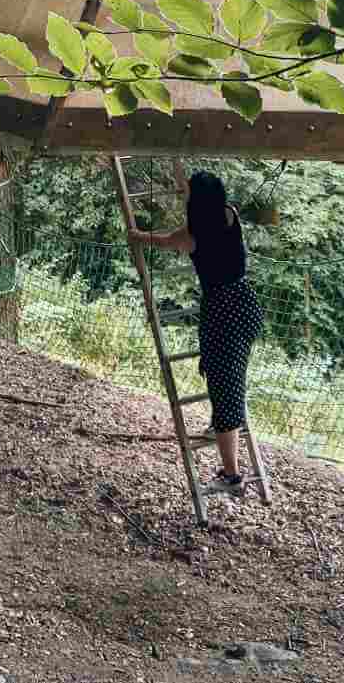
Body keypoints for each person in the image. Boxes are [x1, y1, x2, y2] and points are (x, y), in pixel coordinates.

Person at [127, 170, 264, 496]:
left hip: (222, 314)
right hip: (245, 305)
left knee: (224, 391)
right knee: (231, 376)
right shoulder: (230, 214)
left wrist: (136, 234)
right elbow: (197, 196)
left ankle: (231, 476)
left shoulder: (191, 234)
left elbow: (161, 240)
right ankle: (226, 422)